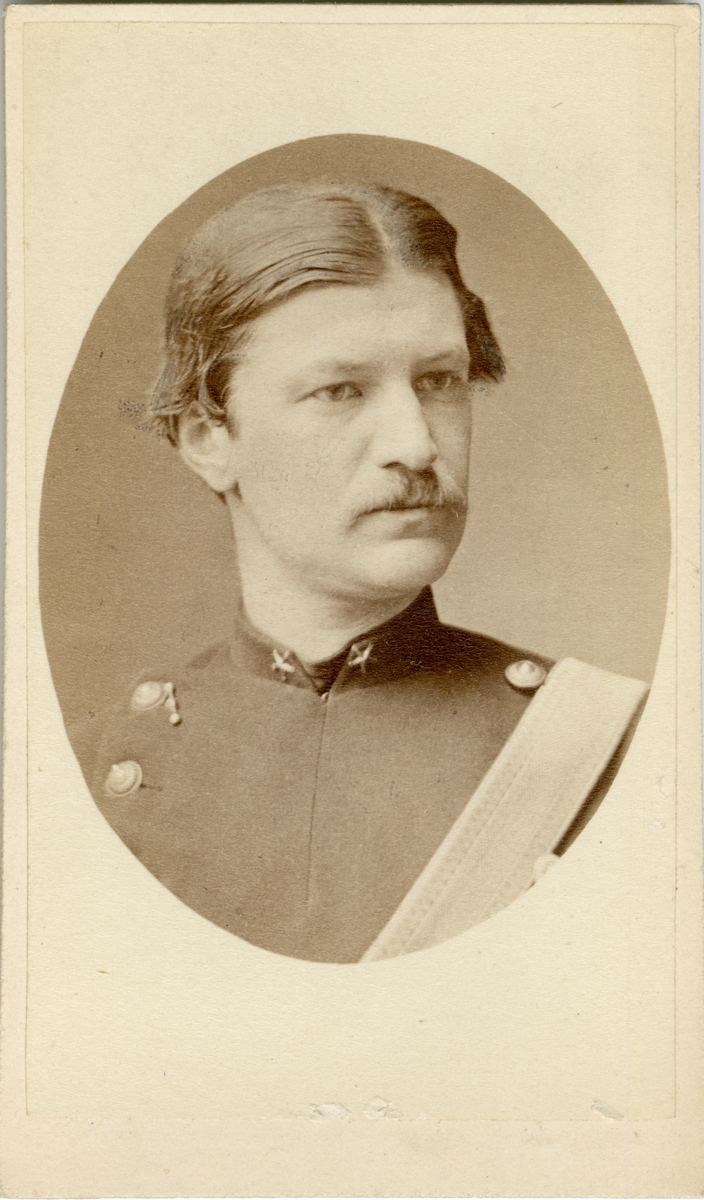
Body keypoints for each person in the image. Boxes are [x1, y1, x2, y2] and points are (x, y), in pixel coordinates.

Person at [77, 183, 647, 964]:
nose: (416, 446)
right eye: (339, 391)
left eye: (438, 380)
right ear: (208, 438)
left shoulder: (610, 754)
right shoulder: (78, 778)